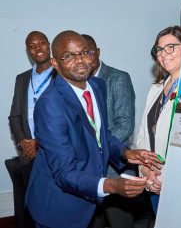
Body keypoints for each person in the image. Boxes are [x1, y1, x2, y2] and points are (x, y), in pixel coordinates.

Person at [25, 30, 162, 228]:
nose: (80, 60)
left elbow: (100, 133)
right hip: (59, 207)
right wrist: (112, 185)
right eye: (69, 56)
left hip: (89, 201)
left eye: (84, 52)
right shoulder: (50, 104)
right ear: (55, 63)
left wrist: (125, 152)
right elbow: (64, 173)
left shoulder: (97, 86)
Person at [81, 34, 137, 228]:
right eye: (79, 54)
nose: (84, 58)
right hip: (89, 172)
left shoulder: (118, 78)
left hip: (114, 167)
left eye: (88, 52)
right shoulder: (79, 84)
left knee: (119, 222)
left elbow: (125, 125)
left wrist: (94, 148)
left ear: (98, 52)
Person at [136, 26, 181, 214]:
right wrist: (145, 170)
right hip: (153, 181)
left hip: (179, 183)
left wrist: (166, 179)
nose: (164, 54)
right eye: (159, 49)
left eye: (170, 47)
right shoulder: (155, 88)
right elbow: (142, 134)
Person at [8, 31, 54, 228]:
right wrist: (23, 142)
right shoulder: (22, 79)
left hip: (55, 154)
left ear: (49, 45)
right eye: (32, 46)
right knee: (33, 208)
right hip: (30, 155)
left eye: (41, 43)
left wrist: (40, 142)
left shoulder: (62, 73)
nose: (38, 48)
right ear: (28, 51)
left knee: (55, 208)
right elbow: (15, 117)